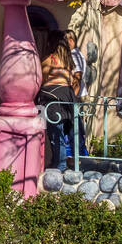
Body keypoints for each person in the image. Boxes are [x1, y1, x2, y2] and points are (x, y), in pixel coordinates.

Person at [36, 30, 76, 168]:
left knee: (55, 135)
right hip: (68, 98)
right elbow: (72, 81)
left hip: (51, 100)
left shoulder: (50, 59)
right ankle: (59, 163)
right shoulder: (68, 62)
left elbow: (41, 79)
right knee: (63, 135)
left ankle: (59, 166)